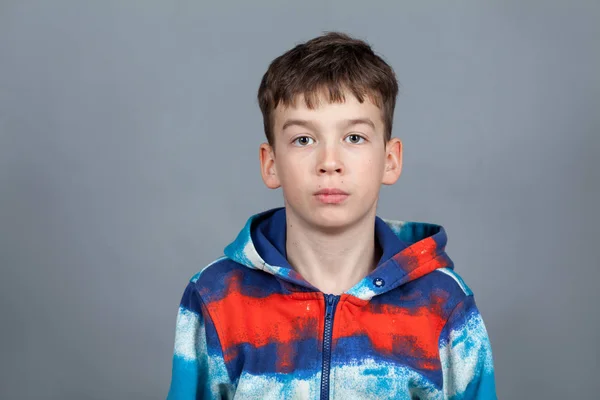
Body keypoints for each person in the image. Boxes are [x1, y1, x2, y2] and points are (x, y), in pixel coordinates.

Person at [166, 31, 497, 400]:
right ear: (271, 163)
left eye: (354, 138)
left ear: (390, 160)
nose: (329, 163)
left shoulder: (443, 303)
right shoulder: (215, 298)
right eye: (303, 140)